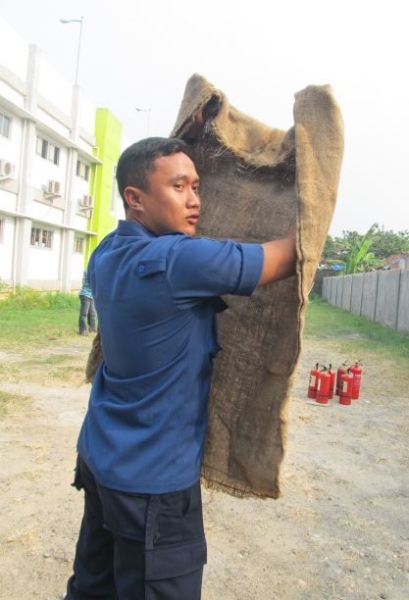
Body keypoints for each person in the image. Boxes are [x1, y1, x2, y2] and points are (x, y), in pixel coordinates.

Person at [65, 137, 296, 600]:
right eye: (178, 187)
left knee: (93, 587)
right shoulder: (178, 261)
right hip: (153, 483)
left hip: (101, 456)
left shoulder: (108, 252)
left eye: (197, 186)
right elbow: (290, 255)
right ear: (135, 198)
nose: (195, 201)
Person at [78, 269, 97, 336]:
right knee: (84, 314)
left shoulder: (95, 271)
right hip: (85, 294)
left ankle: (92, 328)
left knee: (92, 313)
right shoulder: (87, 271)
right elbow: (90, 283)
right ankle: (82, 330)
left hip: (91, 295)